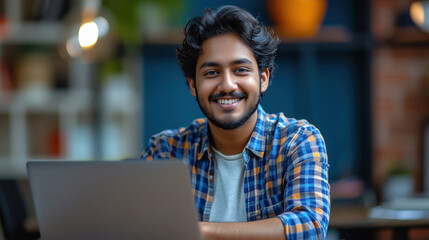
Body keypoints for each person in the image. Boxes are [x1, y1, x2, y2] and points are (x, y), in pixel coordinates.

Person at [141, 5, 330, 240]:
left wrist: (201, 231)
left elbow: (309, 226)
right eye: (211, 73)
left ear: (263, 79)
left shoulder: (297, 141)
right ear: (193, 85)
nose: (228, 85)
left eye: (240, 70)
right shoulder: (165, 151)